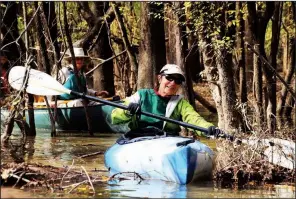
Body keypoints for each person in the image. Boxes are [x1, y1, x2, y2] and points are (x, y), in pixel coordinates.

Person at [111, 64, 225, 138]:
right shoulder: (141, 95)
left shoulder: (181, 103)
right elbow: (114, 117)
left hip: (167, 141)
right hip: (139, 139)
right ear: (160, 78)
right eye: (169, 78)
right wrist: (128, 110)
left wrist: (209, 128)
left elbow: (194, 119)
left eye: (178, 81)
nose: (173, 83)